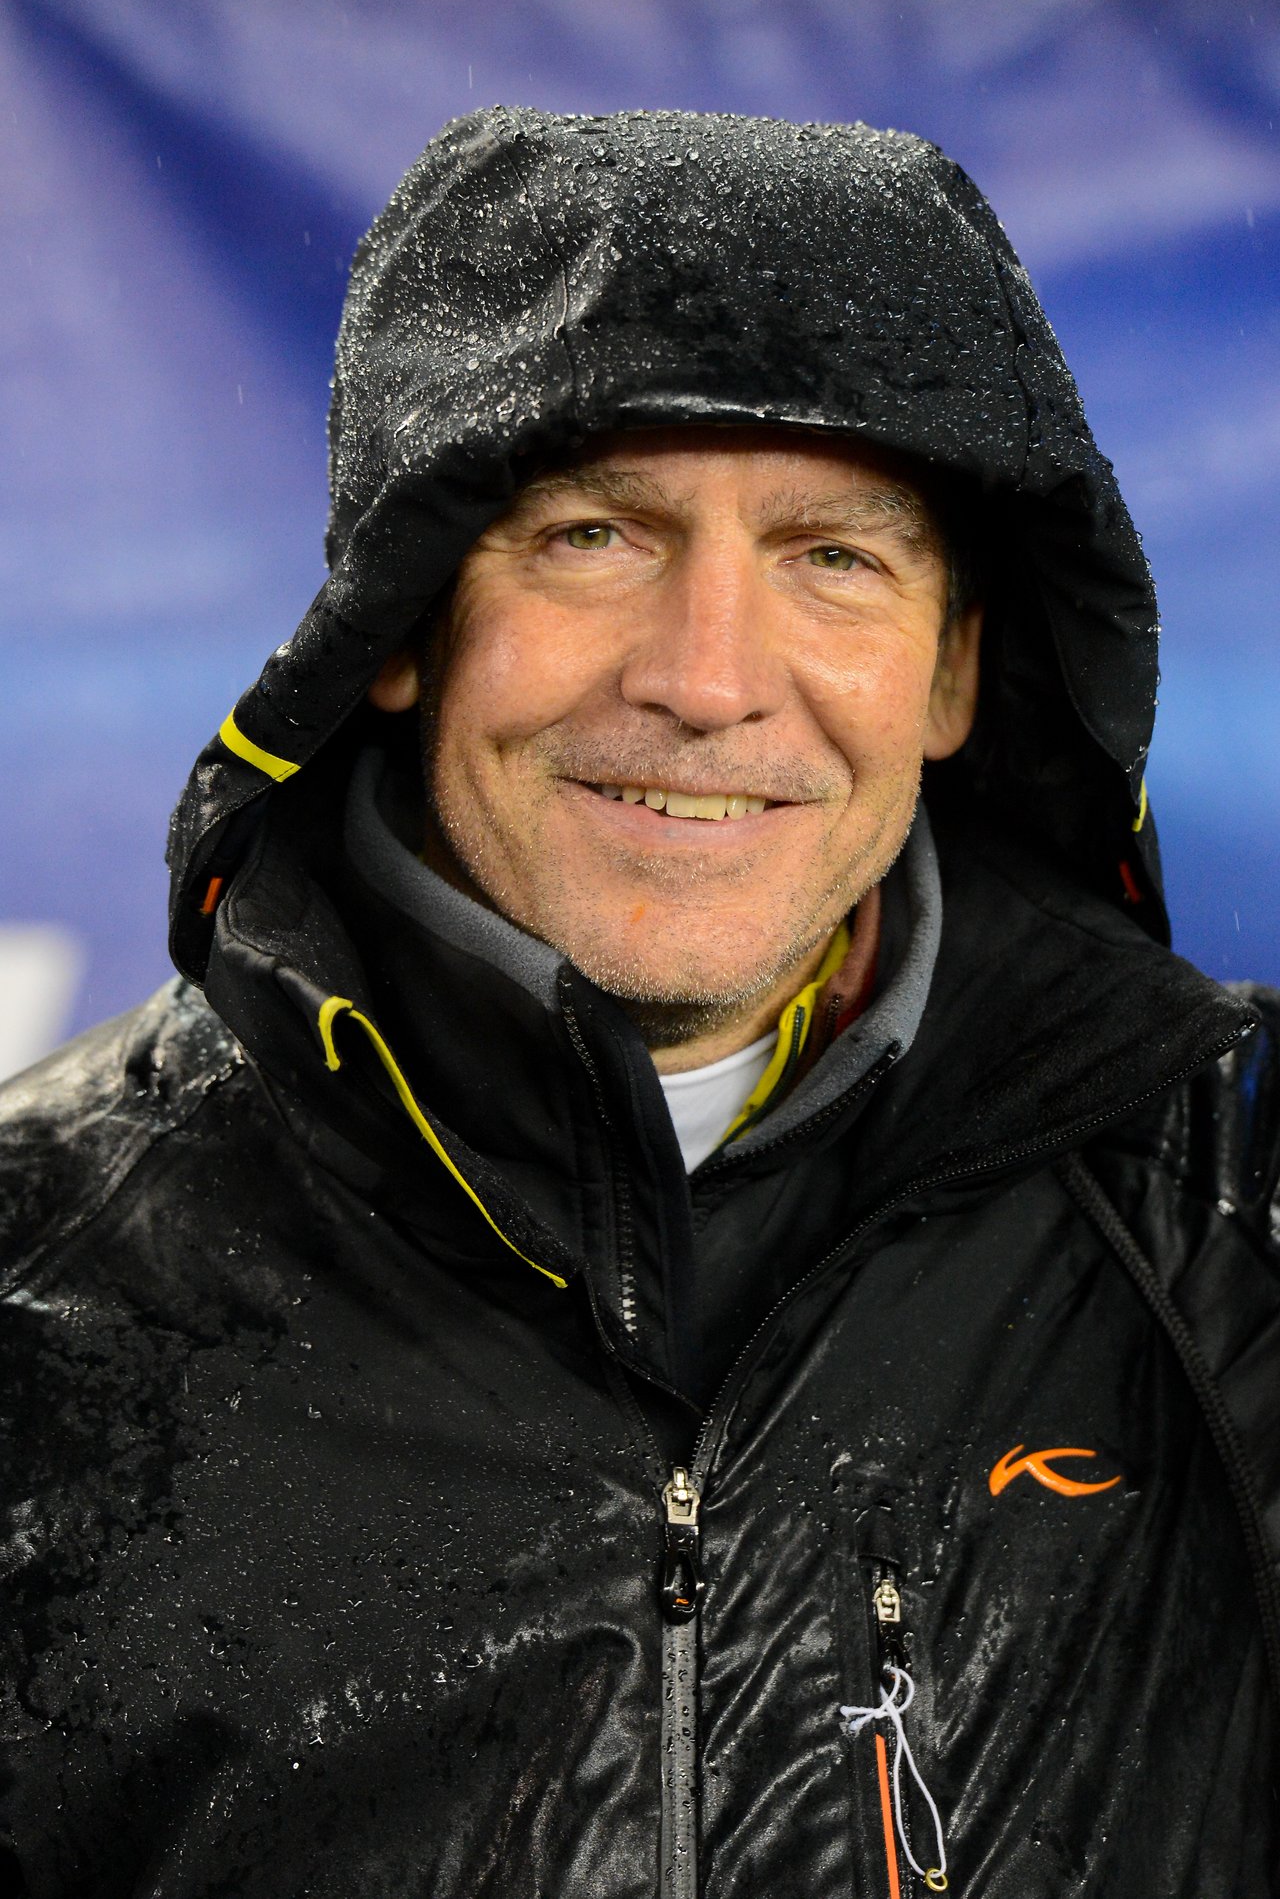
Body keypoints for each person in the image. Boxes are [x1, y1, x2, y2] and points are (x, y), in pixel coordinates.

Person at [1, 106, 1276, 1899]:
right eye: (597, 534)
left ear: (957, 671)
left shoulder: (1232, 1234)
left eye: (837, 555)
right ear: (401, 626)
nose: (706, 678)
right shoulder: (33, 1287)